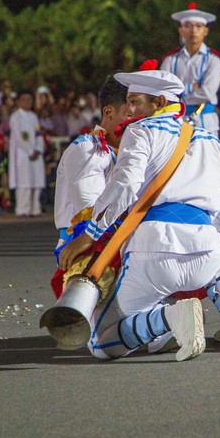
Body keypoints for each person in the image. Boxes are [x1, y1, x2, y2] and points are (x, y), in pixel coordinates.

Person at [57, 66, 220, 360]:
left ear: (160, 103)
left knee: (100, 342)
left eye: (136, 101)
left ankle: (170, 319)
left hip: (154, 254)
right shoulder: (211, 140)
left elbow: (125, 185)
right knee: (217, 257)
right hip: (204, 250)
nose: (129, 108)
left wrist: (91, 232)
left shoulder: (140, 131)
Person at [52, 75, 133, 294]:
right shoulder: (87, 150)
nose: (137, 124)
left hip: (118, 246)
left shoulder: (130, 152)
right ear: (108, 113)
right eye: (129, 116)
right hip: (87, 252)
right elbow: (90, 214)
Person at [160, 2, 220, 137]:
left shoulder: (214, 60)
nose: (193, 30)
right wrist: (192, 88)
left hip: (205, 121)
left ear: (205, 31)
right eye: (188, 26)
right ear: (181, 30)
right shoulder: (170, 60)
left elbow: (207, 92)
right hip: (175, 121)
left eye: (198, 26)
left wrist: (180, 93)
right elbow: (164, 91)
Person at [8, 90, 46, 217]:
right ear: (18, 102)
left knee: (36, 180)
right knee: (24, 181)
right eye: (24, 99)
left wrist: (39, 148)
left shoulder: (33, 116)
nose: (27, 102)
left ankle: (35, 208)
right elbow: (19, 137)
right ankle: (22, 209)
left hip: (35, 152)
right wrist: (30, 151)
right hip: (22, 153)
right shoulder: (15, 117)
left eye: (29, 100)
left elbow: (38, 133)